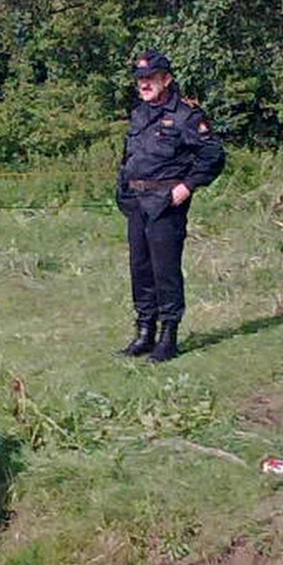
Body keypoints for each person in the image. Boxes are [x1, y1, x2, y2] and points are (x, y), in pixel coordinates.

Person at [115, 49, 226, 363]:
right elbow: (130, 156)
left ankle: (168, 336)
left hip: (166, 202)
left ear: (166, 79)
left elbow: (213, 156)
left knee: (165, 270)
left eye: (150, 78)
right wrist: (123, 188)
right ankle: (144, 332)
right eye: (140, 80)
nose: (144, 84)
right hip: (137, 201)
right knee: (141, 269)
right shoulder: (139, 113)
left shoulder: (186, 115)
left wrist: (187, 186)